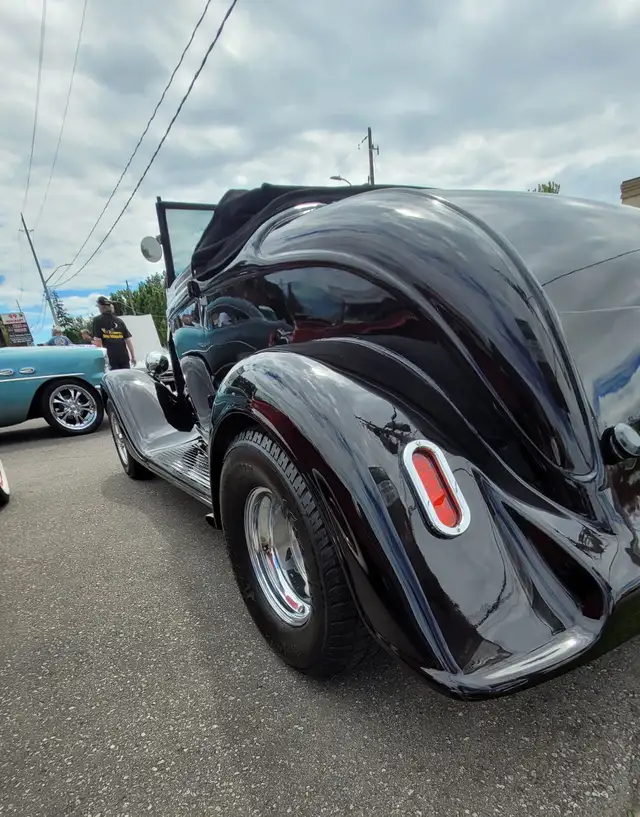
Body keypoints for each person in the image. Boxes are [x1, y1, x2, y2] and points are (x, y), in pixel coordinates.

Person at [91, 296, 136, 370]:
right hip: (124, 356)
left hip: (110, 357)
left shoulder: (97, 321)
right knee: (126, 378)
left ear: (102, 307)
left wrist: (100, 360)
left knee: (114, 379)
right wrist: (133, 356)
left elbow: (98, 341)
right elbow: (128, 340)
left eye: (98, 307)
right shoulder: (119, 321)